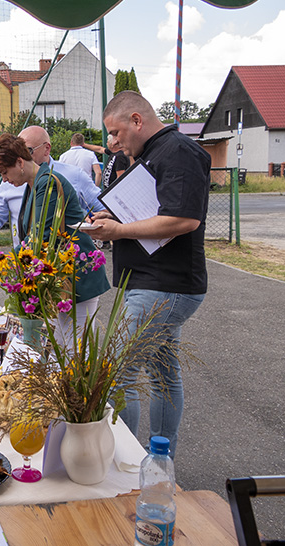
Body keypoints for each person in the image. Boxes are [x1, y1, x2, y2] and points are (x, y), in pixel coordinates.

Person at [85, 91, 210, 455]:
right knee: (163, 374)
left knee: (117, 374)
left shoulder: (178, 152)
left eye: (116, 132)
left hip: (164, 285)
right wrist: (115, 218)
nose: (112, 142)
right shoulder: (153, 153)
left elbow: (184, 218)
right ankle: (159, 462)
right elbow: (155, 211)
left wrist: (119, 231)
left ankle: (121, 462)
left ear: (137, 120)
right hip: (151, 281)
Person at [0, 133, 110, 347]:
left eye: (5, 172)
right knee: (60, 351)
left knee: (70, 353)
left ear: (19, 162)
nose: (4, 179)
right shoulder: (34, 184)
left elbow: (39, 238)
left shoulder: (47, 183)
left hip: (77, 281)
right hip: (61, 280)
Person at [0, 126, 105, 242]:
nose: (4, 179)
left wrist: (92, 223)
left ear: (47, 148)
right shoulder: (23, 181)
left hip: (65, 264)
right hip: (36, 264)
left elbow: (39, 237)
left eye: (28, 150)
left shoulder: (52, 180)